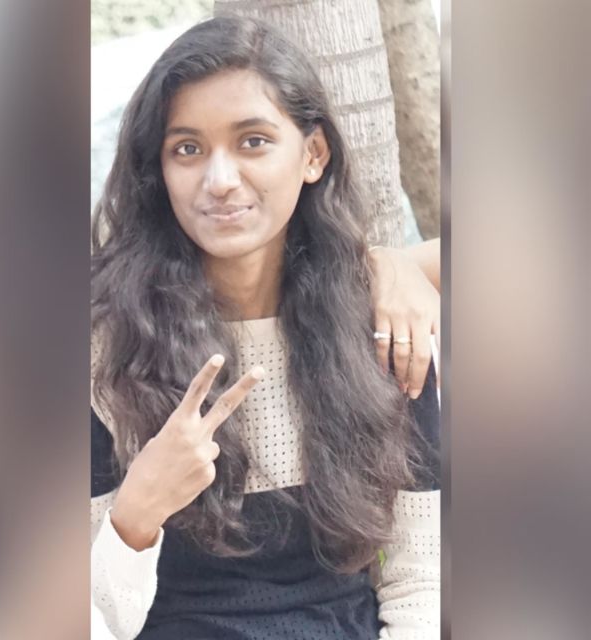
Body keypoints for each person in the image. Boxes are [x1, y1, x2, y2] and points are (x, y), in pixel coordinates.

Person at [91, 15, 440, 640]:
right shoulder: (103, 352)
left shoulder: (384, 328)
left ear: (312, 154)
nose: (220, 181)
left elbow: (422, 578)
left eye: (252, 141)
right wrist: (135, 516)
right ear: (158, 170)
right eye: (187, 149)